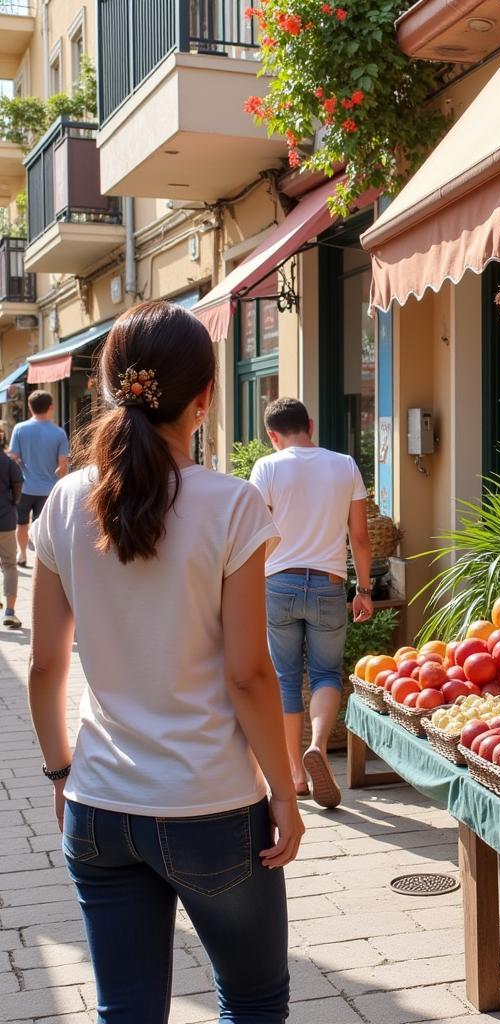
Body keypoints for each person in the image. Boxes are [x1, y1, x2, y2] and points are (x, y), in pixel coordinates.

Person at [27, 301, 303, 1024]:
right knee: (252, 1002)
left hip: (99, 806)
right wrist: (284, 790)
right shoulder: (232, 505)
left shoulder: (62, 502)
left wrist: (61, 771)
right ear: (205, 397)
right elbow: (249, 673)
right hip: (210, 806)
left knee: (126, 1011)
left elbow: (45, 666)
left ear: (114, 386)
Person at [250, 397, 373, 808]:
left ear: (272, 435)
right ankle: (318, 747)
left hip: (278, 584)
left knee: (285, 677)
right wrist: (364, 589)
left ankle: (296, 776)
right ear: (311, 425)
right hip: (328, 583)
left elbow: (256, 536)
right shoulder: (344, 465)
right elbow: (360, 536)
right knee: (325, 674)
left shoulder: (266, 467)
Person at [10, 389, 69, 567]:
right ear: (51, 407)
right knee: (43, 527)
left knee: (21, 523)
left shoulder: (19, 429)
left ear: (30, 407)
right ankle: (41, 561)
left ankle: (21, 554)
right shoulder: (59, 433)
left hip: (24, 487)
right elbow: (63, 465)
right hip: (49, 489)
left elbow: (13, 457)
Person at [0, 431, 24, 627]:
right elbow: (18, 486)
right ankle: (9, 611)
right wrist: (12, 503)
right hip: (5, 519)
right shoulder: (8, 463)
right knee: (9, 565)